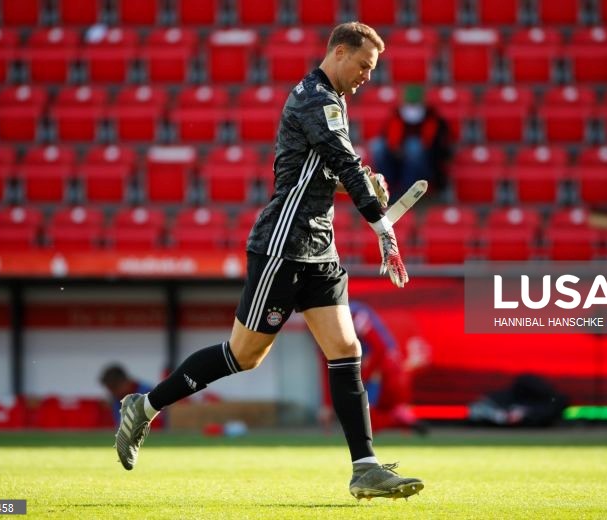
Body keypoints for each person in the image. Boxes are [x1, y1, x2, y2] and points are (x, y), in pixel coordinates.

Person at [114, 22, 424, 501]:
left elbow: (318, 172)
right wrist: (379, 222)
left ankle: (364, 468)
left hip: (320, 247)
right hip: (282, 245)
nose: (367, 77)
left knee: (346, 350)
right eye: (363, 66)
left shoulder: (333, 102)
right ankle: (145, 405)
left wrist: (362, 187)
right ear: (339, 52)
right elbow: (338, 161)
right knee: (244, 355)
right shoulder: (314, 99)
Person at [319, 301, 430, 434]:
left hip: (384, 372)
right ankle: (401, 419)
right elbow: (328, 365)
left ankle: (399, 419)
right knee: (364, 420)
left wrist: (362, 377)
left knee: (365, 422)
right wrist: (327, 403)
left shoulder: (355, 316)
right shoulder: (325, 327)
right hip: (380, 371)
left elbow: (379, 349)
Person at [370, 84, 450, 199]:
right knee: (377, 146)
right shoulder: (396, 116)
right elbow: (387, 139)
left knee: (414, 146)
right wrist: (397, 150)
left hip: (425, 165)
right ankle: (386, 187)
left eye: (414, 103)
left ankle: (408, 191)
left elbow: (440, 148)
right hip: (396, 162)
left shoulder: (433, 118)